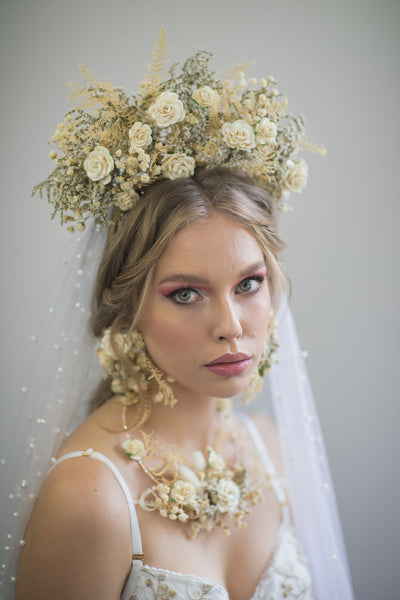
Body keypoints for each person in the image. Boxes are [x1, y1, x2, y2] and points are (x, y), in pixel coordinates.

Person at [0, 30, 354, 600]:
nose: (232, 326)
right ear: (129, 304)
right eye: (186, 293)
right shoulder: (90, 494)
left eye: (249, 284)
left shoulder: (271, 449)